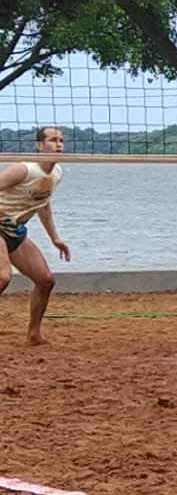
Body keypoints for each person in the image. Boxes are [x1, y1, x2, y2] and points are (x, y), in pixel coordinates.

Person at [0, 126, 72, 346]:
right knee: (3, 277)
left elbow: (43, 204)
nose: (58, 144)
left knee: (46, 280)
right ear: (39, 145)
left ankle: (33, 335)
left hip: (15, 230)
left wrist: (55, 238)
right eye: (52, 140)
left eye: (61, 140)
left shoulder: (56, 173)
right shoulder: (24, 169)